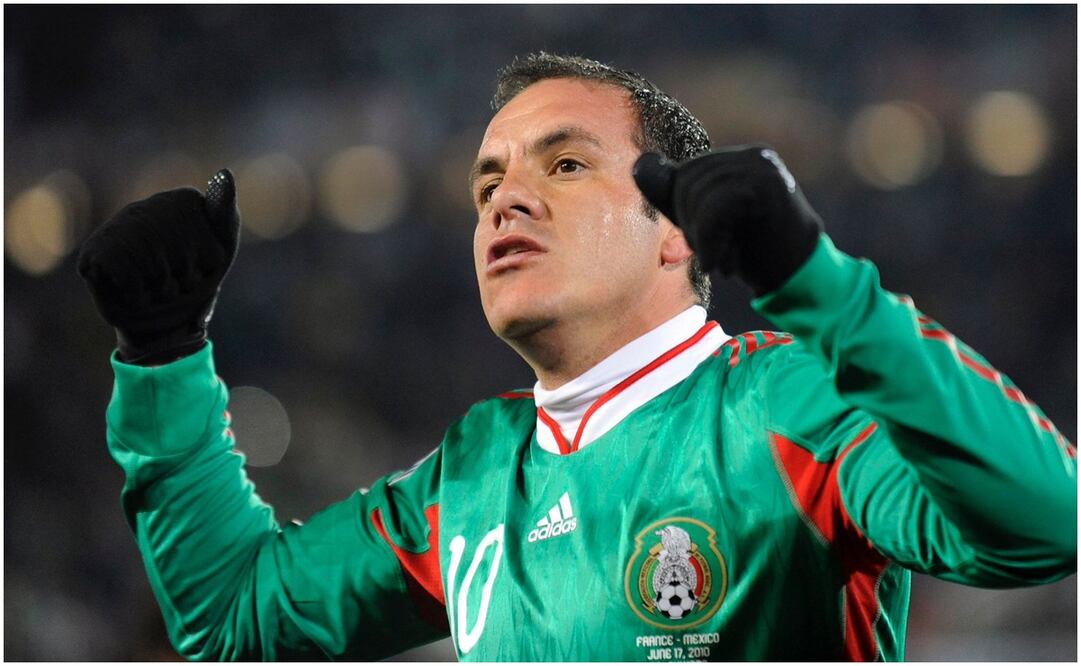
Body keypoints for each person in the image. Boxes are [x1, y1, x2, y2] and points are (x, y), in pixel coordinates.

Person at [77, 53, 1076, 661]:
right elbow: (236, 617)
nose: (505, 200)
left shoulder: (789, 403)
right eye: (486, 185)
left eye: (562, 165)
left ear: (676, 229)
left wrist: (820, 282)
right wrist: (165, 358)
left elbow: (1050, 525)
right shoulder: (471, 472)